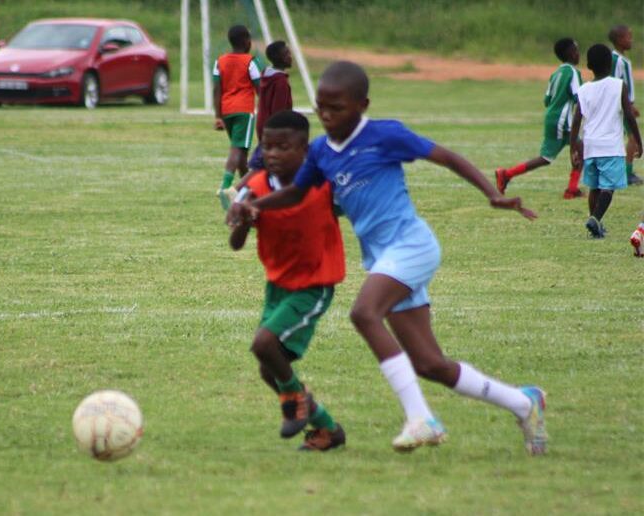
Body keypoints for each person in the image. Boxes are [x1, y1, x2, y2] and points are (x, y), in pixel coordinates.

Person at [230, 61, 549, 456]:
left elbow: (447, 157)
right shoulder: (320, 152)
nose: (327, 117)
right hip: (383, 259)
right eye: (321, 108)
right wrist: (254, 207)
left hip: (412, 246)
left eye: (337, 108)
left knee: (364, 313)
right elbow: (296, 194)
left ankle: (421, 420)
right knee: (430, 364)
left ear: (362, 105)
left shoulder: (385, 135)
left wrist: (491, 193)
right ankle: (523, 402)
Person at [229, 110, 346, 451]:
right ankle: (327, 428)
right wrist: (244, 217)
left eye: (283, 147)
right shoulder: (255, 186)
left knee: (263, 344)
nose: (273, 154)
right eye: (267, 146)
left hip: (314, 284)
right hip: (277, 286)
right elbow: (235, 244)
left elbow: (354, 206)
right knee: (270, 370)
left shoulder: (324, 183)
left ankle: (294, 402)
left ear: (304, 149)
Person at [495, 38, 584, 199]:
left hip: (552, 117)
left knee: (550, 157)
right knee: (579, 149)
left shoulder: (556, 73)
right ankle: (571, 189)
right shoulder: (573, 72)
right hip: (562, 121)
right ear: (571, 53)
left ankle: (507, 174)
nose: (579, 54)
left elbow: (547, 100)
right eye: (577, 50)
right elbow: (580, 98)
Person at [570, 44, 642, 239]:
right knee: (608, 188)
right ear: (611, 63)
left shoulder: (584, 89)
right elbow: (629, 115)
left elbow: (576, 122)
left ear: (589, 65)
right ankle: (595, 219)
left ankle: (596, 224)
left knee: (594, 187)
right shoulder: (619, 85)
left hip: (590, 146)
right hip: (611, 147)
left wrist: (572, 150)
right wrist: (638, 139)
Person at [213, 25, 261, 210]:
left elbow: (217, 89)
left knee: (241, 150)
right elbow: (259, 88)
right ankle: (225, 187)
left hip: (226, 111)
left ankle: (246, 190)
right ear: (246, 41)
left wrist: (218, 116)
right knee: (237, 149)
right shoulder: (250, 62)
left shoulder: (220, 61)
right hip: (244, 111)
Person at [247, 41, 294, 173]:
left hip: (264, 125)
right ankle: (238, 191)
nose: (290, 56)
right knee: (261, 167)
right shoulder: (280, 82)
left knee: (264, 167)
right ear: (279, 58)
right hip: (274, 129)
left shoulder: (267, 77)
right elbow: (278, 111)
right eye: (286, 54)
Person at [609, 25, 643, 186]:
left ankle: (623, 172)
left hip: (622, 105)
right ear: (619, 40)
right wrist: (628, 104)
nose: (631, 40)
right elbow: (616, 83)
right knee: (633, 139)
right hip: (621, 106)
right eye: (628, 37)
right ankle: (627, 174)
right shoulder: (618, 61)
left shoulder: (619, 59)